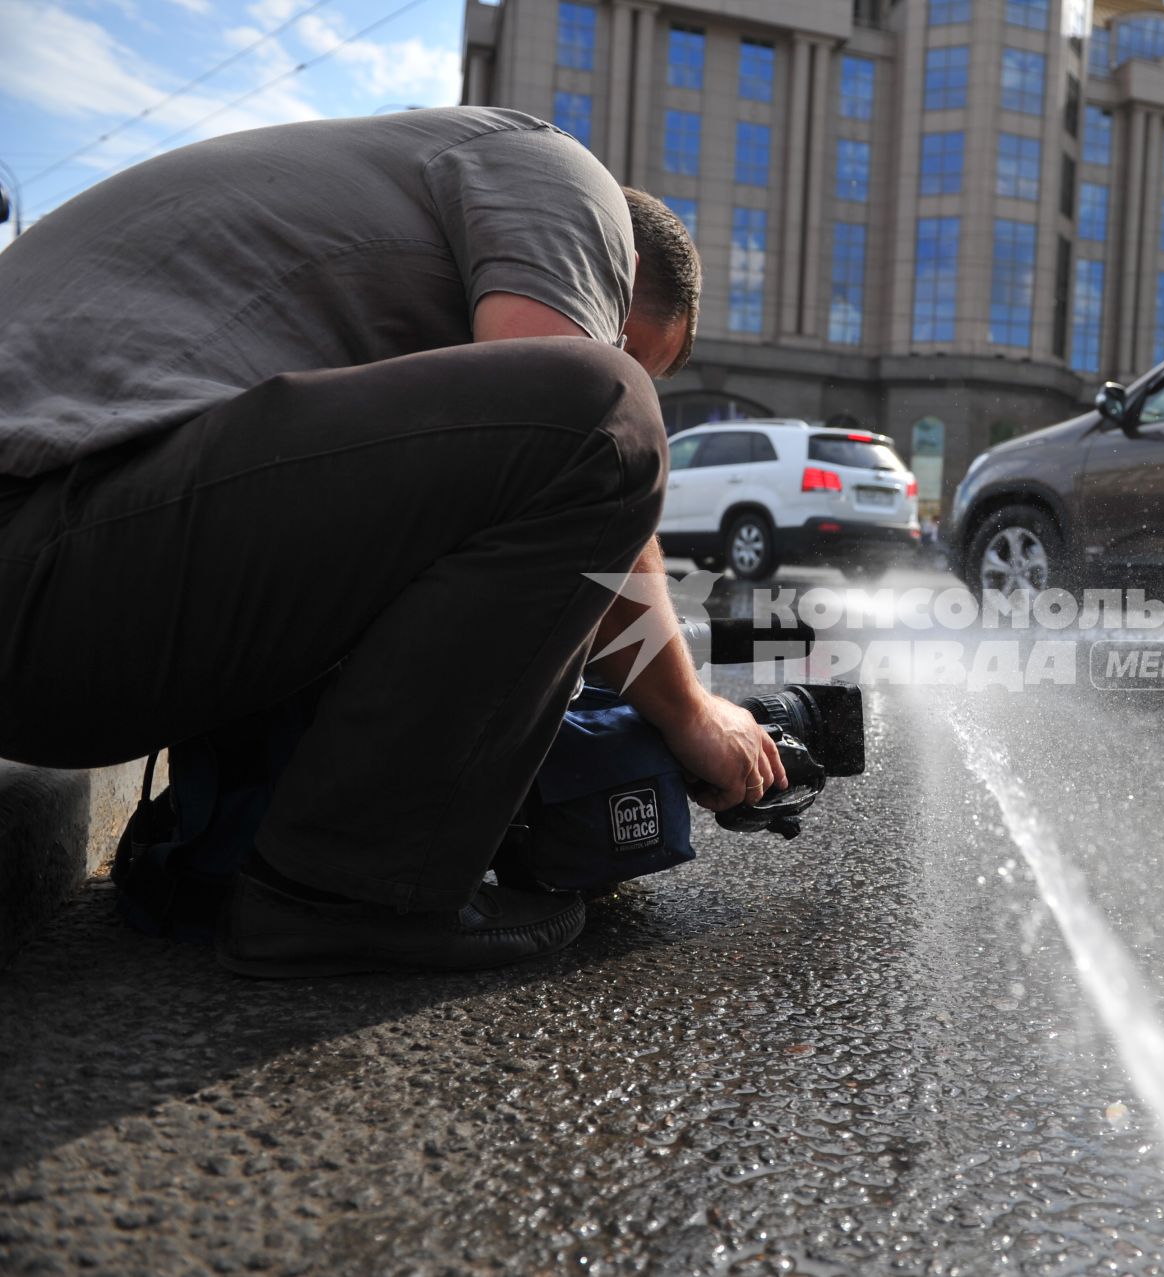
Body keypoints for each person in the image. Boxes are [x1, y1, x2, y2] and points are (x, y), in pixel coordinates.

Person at [0, 106, 785, 977]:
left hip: (61, 579)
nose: (615, 348)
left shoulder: (387, 219)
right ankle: (349, 889)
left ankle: (270, 846)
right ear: (617, 268)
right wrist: (689, 711)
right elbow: (587, 435)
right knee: (606, 413)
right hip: (43, 562)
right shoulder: (568, 183)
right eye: (628, 339)